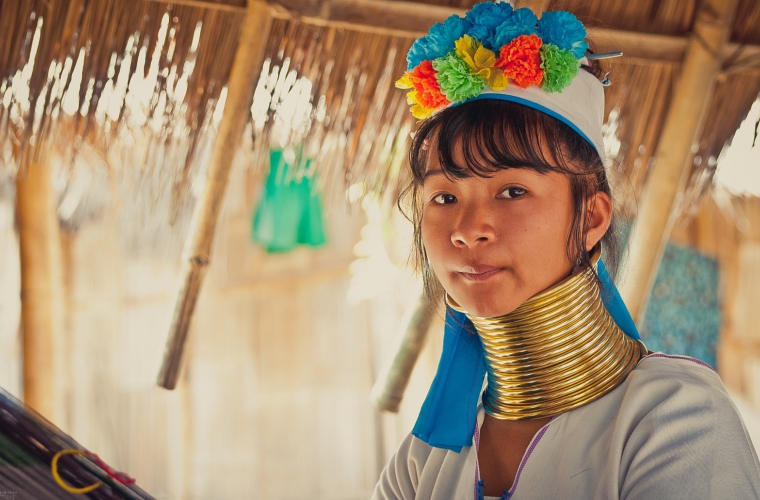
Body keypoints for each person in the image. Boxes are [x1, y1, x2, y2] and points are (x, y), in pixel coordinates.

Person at [372, 3, 760, 499]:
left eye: (512, 191)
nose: (467, 231)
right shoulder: (421, 463)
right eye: (444, 197)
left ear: (592, 218)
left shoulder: (672, 417)